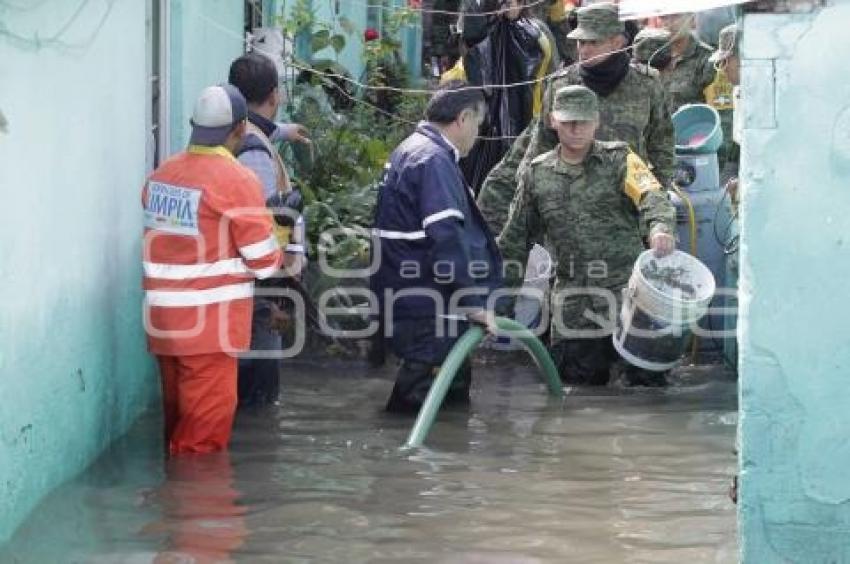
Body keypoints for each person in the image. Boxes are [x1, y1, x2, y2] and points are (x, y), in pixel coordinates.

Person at [498, 85, 676, 386]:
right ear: (553, 121)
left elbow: (652, 196)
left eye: (582, 121)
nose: (576, 129)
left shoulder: (620, 159)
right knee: (576, 393)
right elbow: (515, 241)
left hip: (627, 299)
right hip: (573, 307)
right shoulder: (537, 174)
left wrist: (660, 227)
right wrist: (502, 305)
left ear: (596, 121)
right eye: (568, 122)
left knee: (647, 387)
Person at [142, 84, 283, 454]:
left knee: (176, 428)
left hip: (165, 325)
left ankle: (171, 504)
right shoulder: (236, 180)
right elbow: (265, 263)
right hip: (209, 330)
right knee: (202, 443)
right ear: (239, 129)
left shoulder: (161, 176)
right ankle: (196, 509)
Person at [477, 2, 674, 236]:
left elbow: (662, 148)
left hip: (625, 217)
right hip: (570, 217)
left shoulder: (647, 86)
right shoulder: (562, 85)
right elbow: (537, 149)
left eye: (593, 42)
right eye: (581, 42)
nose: (584, 49)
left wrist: (651, 208)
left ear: (618, 42)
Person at [371, 81, 502, 413]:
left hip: (417, 301)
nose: (477, 134)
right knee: (419, 402)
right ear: (462, 119)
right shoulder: (433, 161)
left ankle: (440, 461)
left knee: (450, 399)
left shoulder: (412, 150)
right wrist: (471, 302)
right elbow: (446, 238)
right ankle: (404, 463)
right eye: (478, 124)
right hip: (429, 306)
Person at [228, 53, 310, 406]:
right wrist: (275, 297)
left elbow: (260, 129)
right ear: (274, 95)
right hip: (258, 293)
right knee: (257, 395)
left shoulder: (236, 132)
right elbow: (259, 228)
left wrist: (283, 132)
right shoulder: (254, 150)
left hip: (244, 289)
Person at [442, 0, 561, 194]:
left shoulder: (537, 33)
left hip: (528, 125)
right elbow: (467, 63)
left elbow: (550, 74)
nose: (506, 5)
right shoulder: (480, 33)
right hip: (482, 133)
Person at [656, 13, 717, 111]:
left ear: (692, 20)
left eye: (676, 16)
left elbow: (719, 112)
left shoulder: (708, 58)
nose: (669, 23)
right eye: (663, 17)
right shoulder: (651, 56)